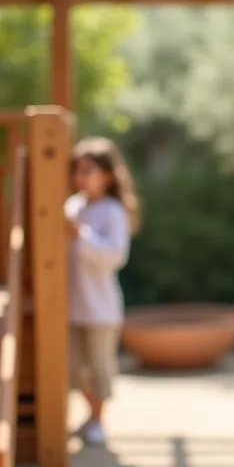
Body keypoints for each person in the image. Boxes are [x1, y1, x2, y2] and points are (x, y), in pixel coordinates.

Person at [65, 136, 139, 447]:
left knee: (99, 367)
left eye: (87, 170)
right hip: (70, 305)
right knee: (73, 367)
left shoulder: (113, 211)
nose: (79, 177)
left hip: (100, 307)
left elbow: (115, 256)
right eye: (77, 170)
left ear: (107, 175)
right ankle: (90, 414)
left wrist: (80, 234)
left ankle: (97, 419)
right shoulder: (73, 206)